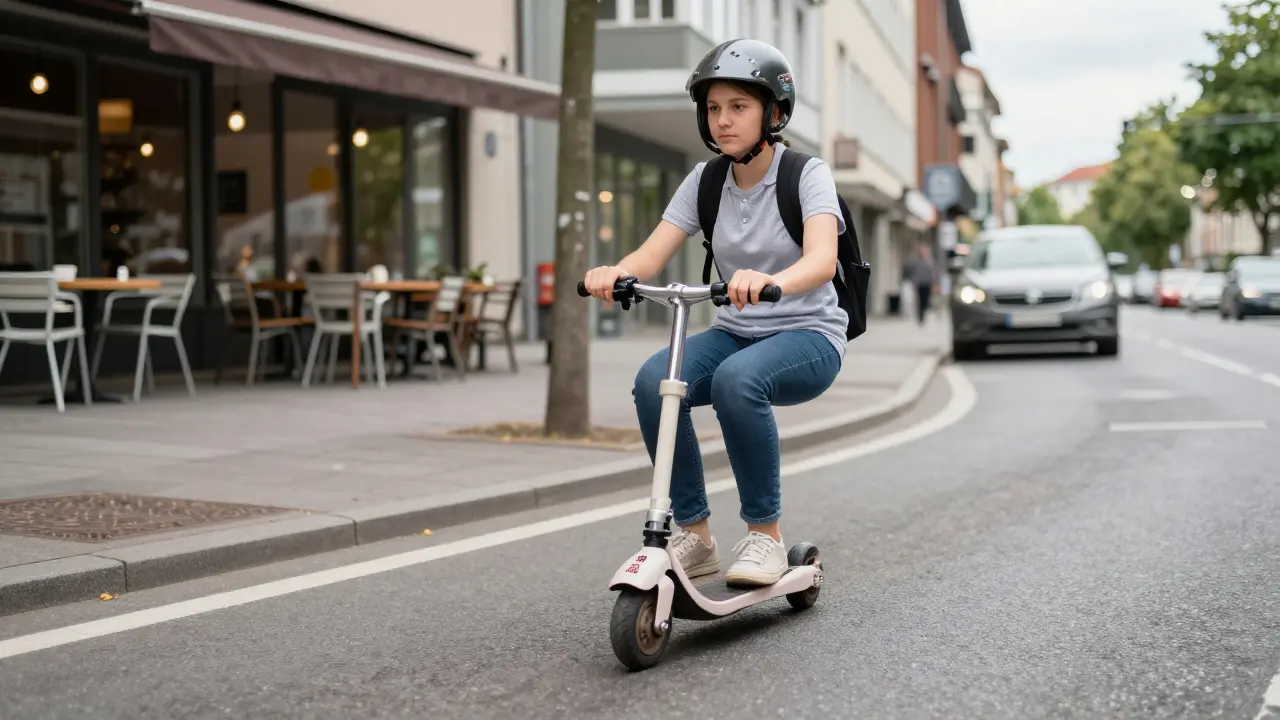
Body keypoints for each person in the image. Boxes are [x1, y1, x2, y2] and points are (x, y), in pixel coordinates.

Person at [581, 39, 847, 587]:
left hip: (809, 335)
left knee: (736, 381)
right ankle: (697, 537)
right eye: (713, 108)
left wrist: (773, 281)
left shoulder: (806, 174)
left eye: (739, 107)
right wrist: (613, 273)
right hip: (734, 330)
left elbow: (822, 260)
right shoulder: (704, 182)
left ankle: (765, 537)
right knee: (656, 379)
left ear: (773, 112)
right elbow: (651, 255)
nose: (723, 120)